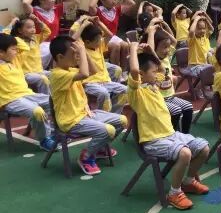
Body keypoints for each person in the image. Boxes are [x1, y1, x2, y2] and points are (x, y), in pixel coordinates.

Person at [128, 42, 210, 209]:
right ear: (142, 75)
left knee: (203, 148)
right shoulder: (136, 92)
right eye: (153, 72)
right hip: (153, 141)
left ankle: (188, 181)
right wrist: (133, 49)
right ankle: (174, 193)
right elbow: (135, 71)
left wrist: (151, 51)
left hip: (171, 135)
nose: (157, 74)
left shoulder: (154, 86)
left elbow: (161, 68)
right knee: (185, 153)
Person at [49, 36, 127, 175]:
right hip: (71, 121)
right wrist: (82, 51)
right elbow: (85, 73)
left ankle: (99, 148)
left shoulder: (70, 70)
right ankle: (86, 157)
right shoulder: (57, 74)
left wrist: (83, 51)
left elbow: (93, 71)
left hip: (86, 114)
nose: (77, 56)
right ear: (60, 57)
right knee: (108, 130)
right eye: (74, 54)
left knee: (122, 121)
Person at [0, 33, 56, 151]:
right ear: (1, 52)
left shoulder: (15, 60)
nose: (17, 51)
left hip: (28, 94)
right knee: (37, 111)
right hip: (11, 100)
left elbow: (24, 47)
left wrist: (9, 38)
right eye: (13, 49)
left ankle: (54, 130)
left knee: (55, 101)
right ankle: (44, 140)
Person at [145, 24, 193, 133]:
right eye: (164, 47)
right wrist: (151, 32)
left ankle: (184, 134)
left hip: (169, 97)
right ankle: (172, 134)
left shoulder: (167, 57)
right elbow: (150, 50)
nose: (167, 50)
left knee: (188, 107)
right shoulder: (152, 61)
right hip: (158, 99)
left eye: (168, 47)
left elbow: (175, 42)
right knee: (176, 111)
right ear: (155, 48)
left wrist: (164, 28)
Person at [76, 22, 128, 113]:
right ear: (87, 42)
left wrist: (99, 22)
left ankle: (114, 114)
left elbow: (109, 35)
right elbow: (73, 39)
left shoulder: (99, 47)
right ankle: (101, 115)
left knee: (125, 90)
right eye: (97, 40)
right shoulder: (81, 49)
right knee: (103, 93)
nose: (100, 42)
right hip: (89, 83)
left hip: (104, 81)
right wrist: (83, 25)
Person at [22, 0, 79, 68]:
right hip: (40, 45)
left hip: (54, 45)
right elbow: (25, 3)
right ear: (41, 0)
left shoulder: (56, 10)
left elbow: (75, 0)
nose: (54, 0)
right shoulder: (34, 11)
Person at [89, 0, 135, 68]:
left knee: (125, 45)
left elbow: (132, 3)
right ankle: (115, 71)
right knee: (116, 46)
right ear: (102, 0)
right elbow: (91, 6)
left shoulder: (116, 10)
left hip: (112, 37)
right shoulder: (98, 11)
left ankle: (123, 71)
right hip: (101, 39)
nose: (114, 1)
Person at [7, 15, 51, 94]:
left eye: (34, 27)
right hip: (26, 74)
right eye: (29, 27)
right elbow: (4, 35)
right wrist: (12, 23)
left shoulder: (35, 38)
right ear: (20, 30)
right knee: (43, 79)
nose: (33, 29)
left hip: (40, 71)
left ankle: (57, 97)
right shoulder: (16, 41)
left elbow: (47, 32)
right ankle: (47, 100)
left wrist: (38, 21)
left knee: (55, 74)